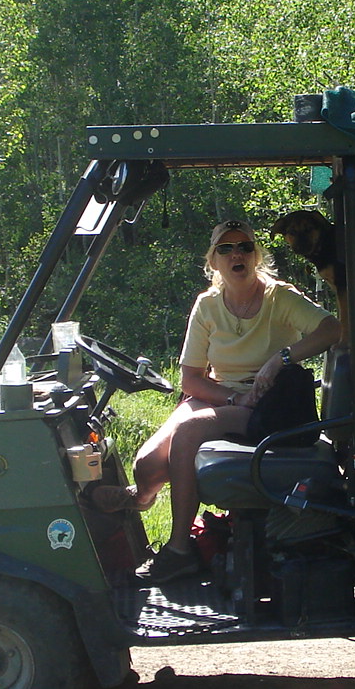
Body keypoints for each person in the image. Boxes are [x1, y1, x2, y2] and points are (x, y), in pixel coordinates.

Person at [129, 218, 342, 584]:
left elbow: (332, 328)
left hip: (268, 403)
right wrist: (232, 397)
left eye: (244, 246)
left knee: (190, 431)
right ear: (213, 261)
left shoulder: (280, 298)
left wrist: (282, 359)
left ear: (256, 255)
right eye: (225, 249)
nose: (236, 254)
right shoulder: (207, 305)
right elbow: (191, 379)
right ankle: (135, 506)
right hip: (224, 394)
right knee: (147, 466)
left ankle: (179, 550)